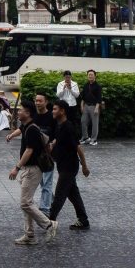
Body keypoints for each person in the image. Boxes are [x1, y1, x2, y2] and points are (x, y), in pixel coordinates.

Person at [8, 103, 57, 246]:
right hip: (28, 169)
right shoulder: (26, 126)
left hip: (33, 169)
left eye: (20, 110)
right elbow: (19, 130)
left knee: (25, 203)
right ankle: (29, 235)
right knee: (27, 202)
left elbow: (29, 151)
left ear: (28, 113)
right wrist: (11, 135)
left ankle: (49, 224)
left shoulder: (32, 130)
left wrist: (17, 167)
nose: (17, 112)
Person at [6, 92, 56, 216]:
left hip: (47, 155)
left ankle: (44, 209)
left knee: (47, 182)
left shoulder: (51, 117)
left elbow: (58, 134)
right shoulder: (33, 118)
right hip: (36, 158)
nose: (38, 103)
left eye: (40, 100)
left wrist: (53, 144)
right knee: (43, 183)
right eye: (36, 101)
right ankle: (50, 198)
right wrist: (12, 135)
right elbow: (22, 128)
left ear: (46, 102)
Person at [47, 99, 90, 231]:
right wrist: (53, 144)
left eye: (55, 109)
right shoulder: (59, 125)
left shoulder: (68, 127)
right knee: (73, 194)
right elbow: (58, 139)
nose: (53, 111)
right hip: (62, 165)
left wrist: (84, 166)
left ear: (62, 111)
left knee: (59, 194)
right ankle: (83, 220)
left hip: (69, 167)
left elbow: (78, 147)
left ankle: (49, 222)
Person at [80, 70, 102, 146]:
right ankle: (85, 138)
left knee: (95, 124)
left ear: (95, 76)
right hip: (86, 106)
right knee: (83, 121)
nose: (90, 76)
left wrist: (96, 108)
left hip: (94, 106)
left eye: (91, 75)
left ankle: (94, 139)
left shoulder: (98, 86)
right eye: (89, 75)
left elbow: (99, 99)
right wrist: (82, 105)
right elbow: (83, 97)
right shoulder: (86, 85)